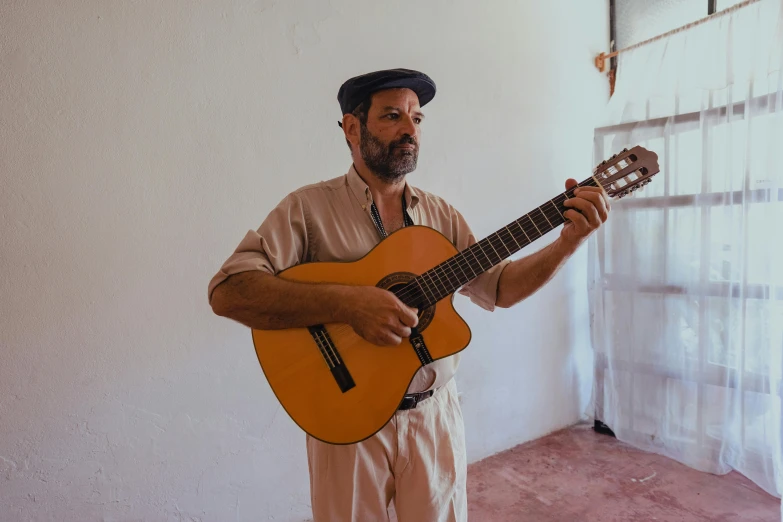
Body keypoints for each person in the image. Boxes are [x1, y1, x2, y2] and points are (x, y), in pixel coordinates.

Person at [208, 68, 610, 522]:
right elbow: (229, 292)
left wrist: (568, 241)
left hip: (433, 420)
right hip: (347, 426)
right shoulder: (307, 210)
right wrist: (348, 304)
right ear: (353, 128)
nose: (409, 131)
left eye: (417, 119)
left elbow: (500, 287)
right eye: (393, 116)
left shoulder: (440, 215)